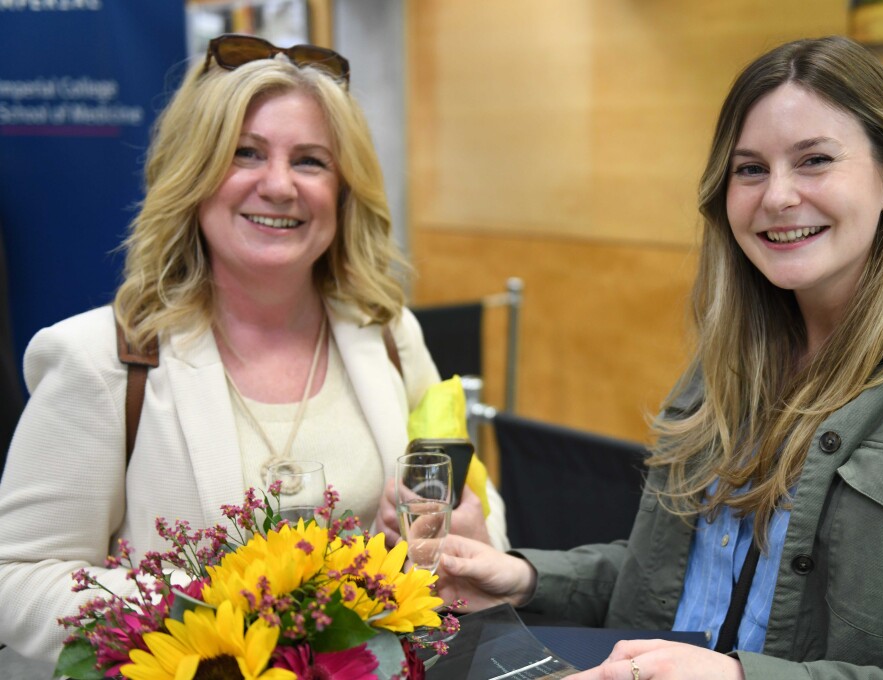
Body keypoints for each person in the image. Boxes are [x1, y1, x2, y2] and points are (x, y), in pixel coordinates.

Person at [434, 35, 883, 679]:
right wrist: (523, 576)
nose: (777, 197)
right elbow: (684, 587)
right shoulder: (725, 369)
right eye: (750, 169)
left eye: (815, 160)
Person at [0, 34, 507, 662]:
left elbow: (472, 508)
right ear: (194, 174)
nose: (279, 185)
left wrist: (449, 540)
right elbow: (15, 578)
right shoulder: (100, 358)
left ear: (345, 191)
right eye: (245, 153)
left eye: (311, 161)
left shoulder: (387, 332)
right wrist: (227, 618)